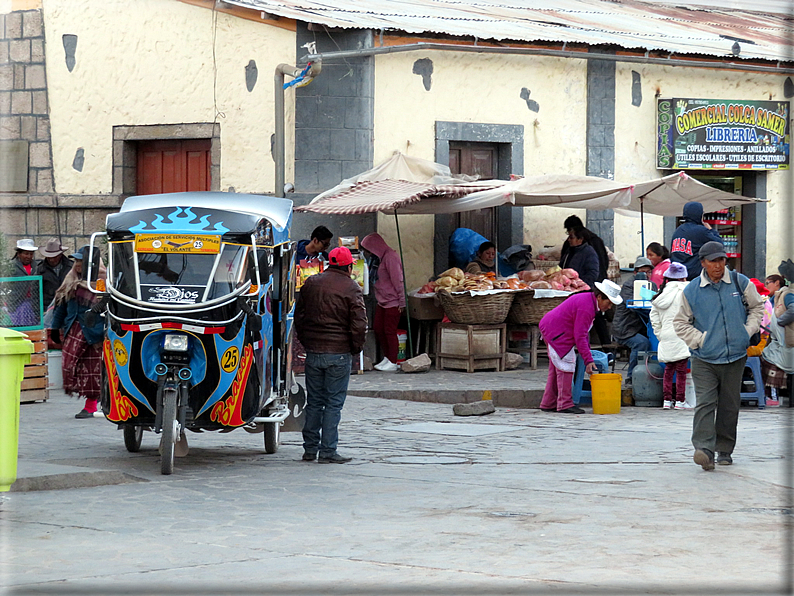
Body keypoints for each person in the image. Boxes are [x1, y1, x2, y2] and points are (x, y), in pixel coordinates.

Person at [673, 241, 764, 470]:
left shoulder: (739, 282)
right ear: (703, 263)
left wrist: (747, 331)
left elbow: (757, 308)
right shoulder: (692, 290)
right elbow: (681, 323)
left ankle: (724, 449)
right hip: (704, 358)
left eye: (722, 260)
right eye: (713, 261)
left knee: (729, 405)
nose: (718, 265)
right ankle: (704, 449)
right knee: (705, 402)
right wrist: (701, 340)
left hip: (735, 356)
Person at [294, 246, 367, 464]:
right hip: (339, 353)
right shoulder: (351, 288)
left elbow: (300, 317)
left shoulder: (311, 283)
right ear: (348, 265)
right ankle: (327, 451)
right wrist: (355, 348)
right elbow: (359, 324)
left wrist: (307, 342)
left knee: (315, 401)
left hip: (314, 351)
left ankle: (309, 449)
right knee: (334, 403)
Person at [538, 279, 623, 414]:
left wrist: (587, 356)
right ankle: (564, 404)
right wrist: (588, 360)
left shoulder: (588, 301)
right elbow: (580, 335)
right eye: (609, 303)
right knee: (566, 365)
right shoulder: (587, 307)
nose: (609, 307)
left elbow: (581, 334)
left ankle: (548, 402)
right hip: (557, 332)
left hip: (553, 329)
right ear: (600, 297)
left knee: (556, 368)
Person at [49, 245, 107, 419]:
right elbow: (61, 305)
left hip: (94, 333)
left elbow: (110, 307)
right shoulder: (71, 281)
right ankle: (96, 399)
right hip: (73, 330)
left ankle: (90, 405)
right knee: (69, 365)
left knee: (93, 370)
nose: (78, 265)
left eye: (82, 261)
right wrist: (54, 327)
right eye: (77, 261)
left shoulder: (103, 282)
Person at [360, 232, 405, 372]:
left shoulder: (390, 257)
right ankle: (387, 357)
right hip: (382, 300)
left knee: (389, 330)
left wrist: (402, 301)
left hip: (393, 301)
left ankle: (393, 360)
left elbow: (398, 280)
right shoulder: (378, 258)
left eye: (368, 249)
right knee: (379, 328)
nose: (367, 252)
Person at [650, 262, 691, 409]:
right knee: (681, 370)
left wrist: (660, 333)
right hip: (683, 334)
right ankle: (680, 401)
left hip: (666, 335)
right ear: (683, 278)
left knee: (668, 370)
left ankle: (667, 400)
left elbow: (653, 317)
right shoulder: (687, 290)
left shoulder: (660, 295)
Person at [611, 257, 653, 383]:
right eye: (642, 272)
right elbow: (637, 307)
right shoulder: (629, 286)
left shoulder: (652, 285)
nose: (646, 275)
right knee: (642, 343)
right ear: (635, 273)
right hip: (625, 329)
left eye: (648, 272)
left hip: (641, 327)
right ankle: (632, 377)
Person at [760, 264, 794, 407]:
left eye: (768, 283)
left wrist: (780, 321)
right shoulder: (773, 298)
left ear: (777, 283)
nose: (766, 286)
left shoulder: (786, 295)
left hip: (787, 342)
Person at [670, 202, 721, 281]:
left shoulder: (678, 230)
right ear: (699, 214)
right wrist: (711, 230)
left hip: (676, 276)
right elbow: (719, 245)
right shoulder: (701, 230)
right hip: (693, 278)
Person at [560, 215, 608, 282]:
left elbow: (592, 273)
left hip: (590, 285)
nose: (569, 239)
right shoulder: (570, 247)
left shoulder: (590, 248)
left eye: (569, 232)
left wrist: (580, 283)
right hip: (598, 281)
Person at [36, 238, 73, 309]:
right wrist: (38, 310)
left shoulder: (71, 267)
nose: (51, 260)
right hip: (47, 307)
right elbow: (35, 291)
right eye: (49, 257)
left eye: (54, 257)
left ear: (60, 255)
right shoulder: (40, 269)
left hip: (67, 306)